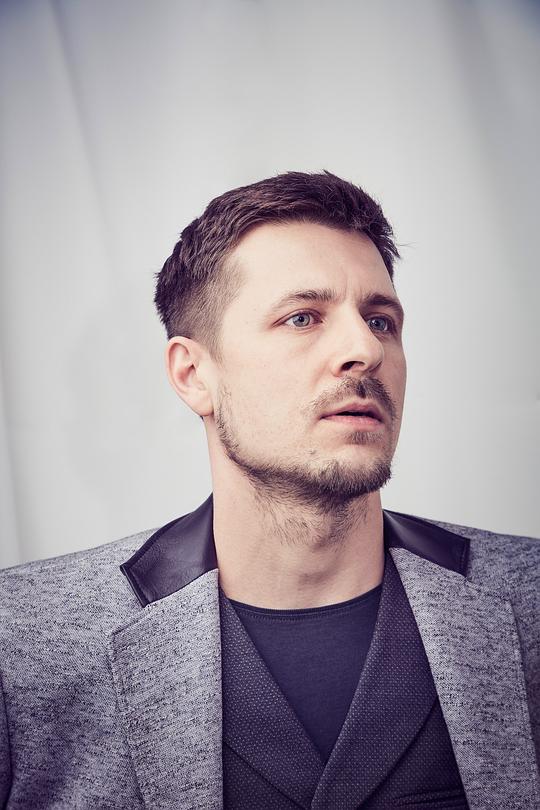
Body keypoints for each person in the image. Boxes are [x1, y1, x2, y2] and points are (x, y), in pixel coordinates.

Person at [0, 172, 538, 810]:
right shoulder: (21, 642)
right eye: (302, 317)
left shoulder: (527, 600)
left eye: (381, 320)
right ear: (193, 374)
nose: (364, 349)